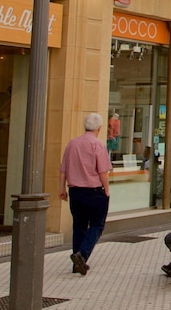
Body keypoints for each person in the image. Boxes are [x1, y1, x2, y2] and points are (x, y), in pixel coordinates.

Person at [58, 112, 112, 276]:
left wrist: (62, 188)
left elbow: (63, 171)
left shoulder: (72, 144)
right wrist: (107, 190)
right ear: (100, 128)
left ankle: (77, 263)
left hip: (75, 191)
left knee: (79, 225)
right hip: (94, 191)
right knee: (97, 224)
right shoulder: (98, 145)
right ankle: (82, 254)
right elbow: (103, 171)